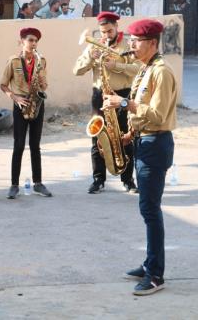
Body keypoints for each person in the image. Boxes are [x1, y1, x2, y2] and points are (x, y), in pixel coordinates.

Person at [103, 19, 177, 296]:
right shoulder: (146, 69)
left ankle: (156, 274)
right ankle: (149, 264)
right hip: (145, 139)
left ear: (153, 44)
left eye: (136, 41)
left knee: (151, 210)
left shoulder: (162, 72)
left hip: (156, 143)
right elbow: (143, 110)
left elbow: (157, 114)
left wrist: (122, 103)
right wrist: (129, 132)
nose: (131, 45)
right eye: (131, 40)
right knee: (148, 209)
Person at [73, 12, 139, 194]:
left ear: (117, 26)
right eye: (103, 32)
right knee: (97, 137)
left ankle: (128, 180)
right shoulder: (96, 45)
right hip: (100, 96)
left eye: (109, 31)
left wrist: (117, 66)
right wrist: (90, 58)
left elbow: (137, 69)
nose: (106, 36)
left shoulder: (127, 45)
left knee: (125, 138)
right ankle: (98, 180)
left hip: (122, 95)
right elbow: (76, 71)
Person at [0, 27, 53, 199]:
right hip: (20, 103)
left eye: (36, 41)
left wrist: (44, 84)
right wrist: (15, 98)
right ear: (22, 41)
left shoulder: (41, 60)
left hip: (37, 103)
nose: (33, 43)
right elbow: (3, 85)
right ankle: (14, 185)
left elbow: (44, 84)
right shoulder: (14, 61)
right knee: (19, 145)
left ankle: (38, 183)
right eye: (30, 40)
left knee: (36, 145)